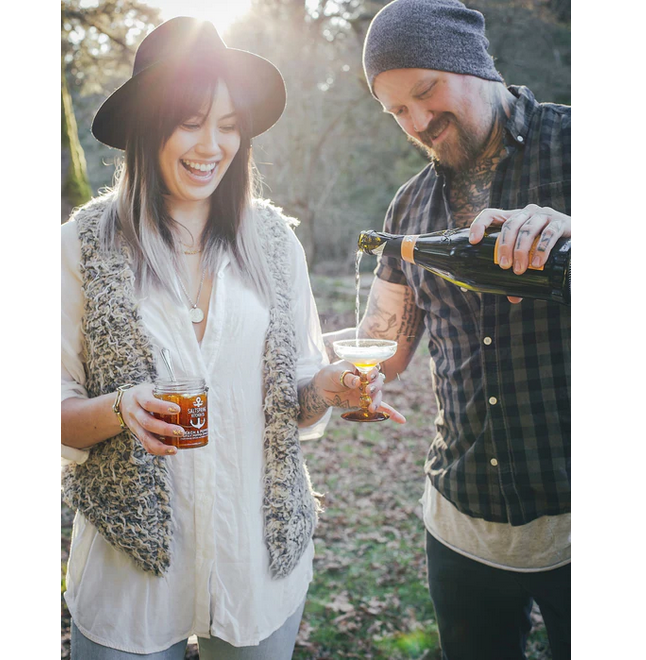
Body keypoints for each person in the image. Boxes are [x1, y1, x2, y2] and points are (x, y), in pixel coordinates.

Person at [61, 17, 403, 660]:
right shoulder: (82, 244)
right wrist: (119, 409)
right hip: (128, 581)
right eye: (189, 121)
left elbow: (298, 387)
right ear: (147, 126)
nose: (211, 145)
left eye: (227, 124)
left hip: (258, 567)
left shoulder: (274, 241)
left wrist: (328, 386)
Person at [324, 1, 571, 658]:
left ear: (474, 63)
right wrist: (357, 378)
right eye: (396, 111)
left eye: (425, 91)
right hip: (461, 529)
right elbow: (387, 349)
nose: (417, 121)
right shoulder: (409, 208)